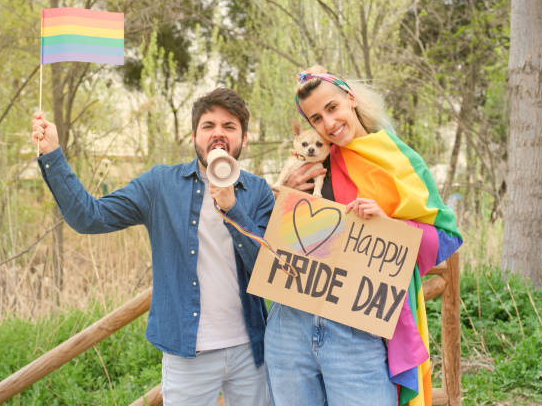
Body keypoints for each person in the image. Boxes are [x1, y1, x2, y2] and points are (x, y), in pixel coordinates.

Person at [31, 88, 273, 406]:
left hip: (250, 350)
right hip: (188, 353)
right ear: (194, 135)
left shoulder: (258, 192)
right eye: (209, 125)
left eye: (229, 127)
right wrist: (52, 154)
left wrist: (232, 209)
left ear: (243, 138)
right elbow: (90, 217)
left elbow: (267, 269)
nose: (218, 134)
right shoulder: (161, 184)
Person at [265, 66, 463, 405]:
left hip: (358, 325)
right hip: (290, 324)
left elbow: (445, 236)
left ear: (351, 99)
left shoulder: (396, 159)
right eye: (315, 118)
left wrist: (387, 224)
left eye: (332, 108)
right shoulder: (304, 163)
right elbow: (275, 241)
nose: (328, 124)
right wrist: (282, 197)